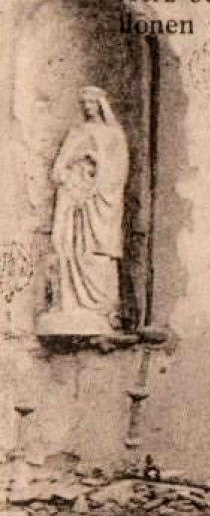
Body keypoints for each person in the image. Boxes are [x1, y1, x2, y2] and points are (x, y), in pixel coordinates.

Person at [44, 86, 128, 333]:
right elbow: (58, 170)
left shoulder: (113, 135)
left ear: (101, 105)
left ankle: (102, 310)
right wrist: (74, 176)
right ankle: (70, 304)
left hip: (100, 204)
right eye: (85, 104)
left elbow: (118, 171)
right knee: (71, 248)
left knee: (97, 254)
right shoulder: (77, 132)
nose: (88, 108)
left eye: (92, 103)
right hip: (75, 202)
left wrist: (97, 169)